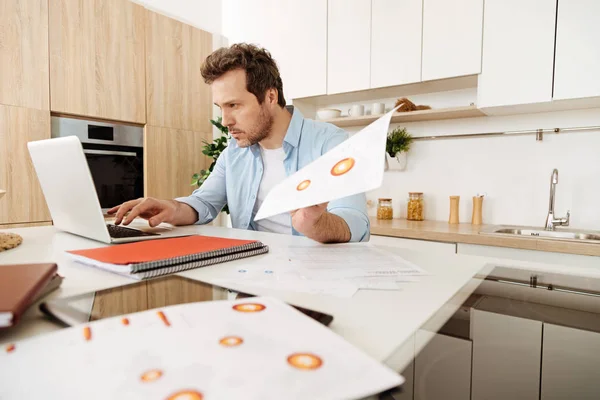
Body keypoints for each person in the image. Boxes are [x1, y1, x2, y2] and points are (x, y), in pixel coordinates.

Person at [108, 43, 369, 244]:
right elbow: (205, 203)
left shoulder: (330, 143)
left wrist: (315, 224)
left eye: (234, 105)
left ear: (270, 96)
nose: (225, 120)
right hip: (251, 276)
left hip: (312, 279)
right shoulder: (234, 152)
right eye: (220, 107)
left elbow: (356, 222)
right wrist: (172, 207)